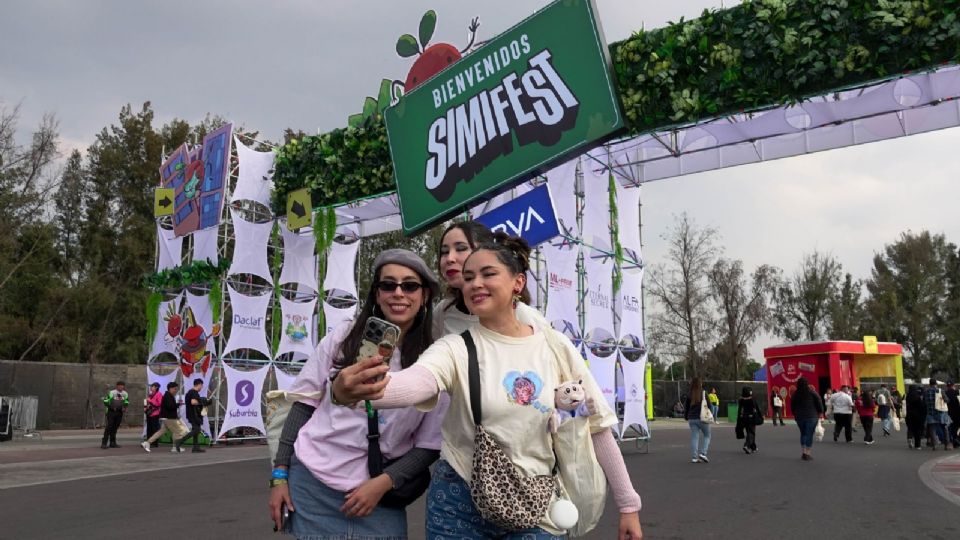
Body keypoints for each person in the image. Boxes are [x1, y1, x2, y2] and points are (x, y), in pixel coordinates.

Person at [333, 234, 643, 540]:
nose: (475, 284)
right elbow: (416, 383)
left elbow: (597, 426)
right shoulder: (455, 347)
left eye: (488, 274)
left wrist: (628, 504)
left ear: (517, 283)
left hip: (536, 503)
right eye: (468, 278)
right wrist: (353, 391)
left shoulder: (553, 345)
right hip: (459, 501)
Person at [268, 249, 447, 539]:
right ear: (376, 295)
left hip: (379, 495)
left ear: (424, 295)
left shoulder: (437, 358)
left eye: (409, 285)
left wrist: (382, 484)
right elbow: (304, 405)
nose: (398, 293)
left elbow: (428, 446)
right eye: (387, 285)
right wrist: (279, 476)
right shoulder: (343, 338)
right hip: (312, 484)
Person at [432, 221, 543, 338]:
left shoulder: (527, 317)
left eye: (461, 248)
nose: (450, 258)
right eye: (444, 252)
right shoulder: (442, 311)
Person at [142, 382, 189, 452]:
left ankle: (147, 442)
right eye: (175, 389)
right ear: (170, 389)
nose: (175, 391)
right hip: (169, 417)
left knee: (161, 431)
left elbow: (168, 405)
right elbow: (169, 406)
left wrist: (177, 404)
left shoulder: (167, 395)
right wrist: (177, 404)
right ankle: (175, 447)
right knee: (178, 431)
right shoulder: (167, 396)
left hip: (165, 417)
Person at [174, 378, 212, 453]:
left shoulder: (190, 392)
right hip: (194, 414)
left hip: (193, 414)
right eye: (201, 386)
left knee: (196, 430)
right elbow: (193, 402)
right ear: (199, 384)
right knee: (197, 430)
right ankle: (179, 441)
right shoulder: (193, 392)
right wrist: (203, 402)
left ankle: (195, 447)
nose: (201, 388)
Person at [790, 377, 824, 460]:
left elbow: (792, 406)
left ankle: (803, 452)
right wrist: (820, 411)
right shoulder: (812, 392)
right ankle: (808, 453)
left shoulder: (795, 394)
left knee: (803, 433)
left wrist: (795, 414)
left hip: (799, 417)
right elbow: (819, 401)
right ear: (807, 383)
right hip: (811, 416)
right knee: (809, 434)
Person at [685, 376, 711, 463]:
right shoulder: (704, 393)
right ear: (700, 383)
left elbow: (686, 407)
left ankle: (694, 457)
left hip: (692, 419)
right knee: (707, 435)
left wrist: (686, 416)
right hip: (702, 418)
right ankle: (703, 453)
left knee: (694, 438)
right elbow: (709, 406)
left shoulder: (690, 394)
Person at [924, 378, 951, 450]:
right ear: (936, 384)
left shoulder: (926, 392)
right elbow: (947, 400)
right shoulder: (940, 390)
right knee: (945, 428)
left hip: (930, 412)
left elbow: (924, 402)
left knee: (932, 429)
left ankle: (934, 445)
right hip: (941, 412)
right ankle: (947, 444)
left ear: (929, 384)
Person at [100, 381, 129, 449]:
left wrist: (124, 407)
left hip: (119, 412)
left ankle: (113, 443)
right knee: (109, 427)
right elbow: (106, 401)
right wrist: (111, 407)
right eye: (120, 385)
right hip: (111, 412)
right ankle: (104, 443)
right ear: (117, 386)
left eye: (122, 386)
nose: (121, 387)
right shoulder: (112, 392)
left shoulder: (125, 393)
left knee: (115, 427)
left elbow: (126, 401)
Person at [735, 387, 760, 454]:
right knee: (751, 432)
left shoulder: (741, 400)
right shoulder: (752, 399)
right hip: (751, 418)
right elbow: (756, 408)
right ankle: (746, 445)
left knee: (749, 432)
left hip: (743, 418)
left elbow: (740, 410)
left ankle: (753, 447)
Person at [905, 385, 927, 450]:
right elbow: (921, 406)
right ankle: (917, 445)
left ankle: (909, 438)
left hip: (909, 415)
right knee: (917, 430)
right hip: (917, 416)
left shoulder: (907, 397)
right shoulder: (917, 397)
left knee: (910, 428)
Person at [144, 382, 163, 447]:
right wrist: (145, 407)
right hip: (149, 413)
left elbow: (160, 404)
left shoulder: (159, 394)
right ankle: (148, 442)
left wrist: (150, 401)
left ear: (156, 387)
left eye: (152, 387)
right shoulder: (151, 394)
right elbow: (147, 402)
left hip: (155, 413)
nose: (151, 388)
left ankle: (154, 443)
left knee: (154, 428)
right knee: (149, 428)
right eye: (151, 387)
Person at [945, 381, 960, 448]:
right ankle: (958, 438)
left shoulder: (945, 393)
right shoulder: (957, 392)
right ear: (953, 385)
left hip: (949, 413)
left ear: (947, 386)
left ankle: (954, 441)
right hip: (958, 412)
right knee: (958, 427)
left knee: (952, 428)